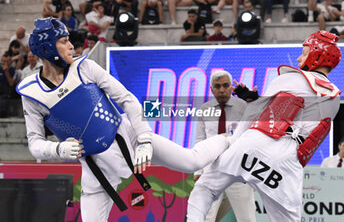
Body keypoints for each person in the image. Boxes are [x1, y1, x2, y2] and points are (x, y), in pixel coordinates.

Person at [16, 17, 231, 222]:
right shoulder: (31, 94)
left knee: (191, 161)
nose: (72, 46)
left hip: (127, 137)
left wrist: (144, 140)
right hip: (95, 166)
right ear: (47, 48)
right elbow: (34, 144)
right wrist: (58, 149)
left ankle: (227, 140)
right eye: (64, 42)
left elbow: (128, 100)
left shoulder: (85, 68)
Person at [186, 30, 341, 222]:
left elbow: (257, 114)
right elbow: (299, 115)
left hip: (254, 144)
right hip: (287, 161)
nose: (300, 58)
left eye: (304, 52)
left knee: (205, 189)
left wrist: (234, 143)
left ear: (317, 53)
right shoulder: (335, 97)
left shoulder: (289, 77)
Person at [194, 70, 256, 222]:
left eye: (225, 85)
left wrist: (252, 101)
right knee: (205, 216)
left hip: (238, 168)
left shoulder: (244, 106)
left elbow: (258, 128)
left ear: (231, 87)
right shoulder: (204, 109)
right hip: (211, 168)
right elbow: (200, 140)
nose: (221, 90)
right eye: (217, 86)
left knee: (246, 217)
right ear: (211, 89)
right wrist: (198, 169)